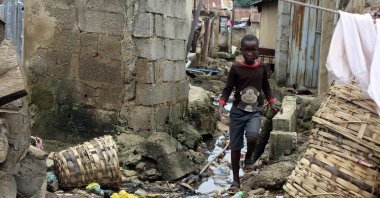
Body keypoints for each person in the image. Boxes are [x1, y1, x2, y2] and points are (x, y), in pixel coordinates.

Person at [218, 35, 281, 194]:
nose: (250, 53)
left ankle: (249, 159)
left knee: (253, 136)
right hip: (238, 112)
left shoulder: (262, 68)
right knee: (235, 146)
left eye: (253, 50)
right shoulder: (236, 68)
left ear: (258, 51)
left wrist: (272, 101)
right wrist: (222, 104)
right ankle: (235, 180)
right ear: (241, 51)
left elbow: (266, 86)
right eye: (247, 50)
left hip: (255, 110)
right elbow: (228, 88)